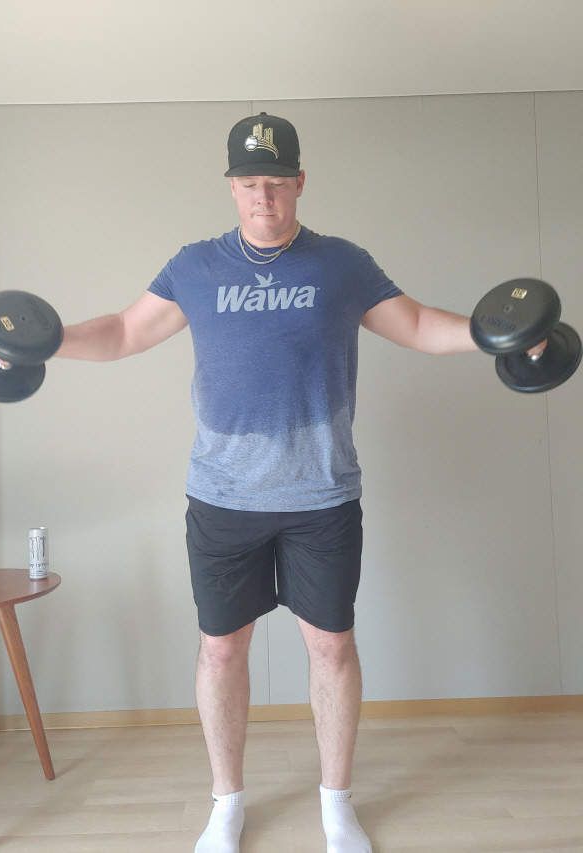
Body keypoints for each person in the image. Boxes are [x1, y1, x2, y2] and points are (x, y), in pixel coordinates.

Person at [54, 113, 542, 853]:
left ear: (300, 183)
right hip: (223, 497)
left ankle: (336, 806)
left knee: (332, 648)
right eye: (251, 183)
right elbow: (123, 332)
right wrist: (45, 342)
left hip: (322, 496)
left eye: (278, 183)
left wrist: (495, 335)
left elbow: (416, 324)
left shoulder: (342, 264)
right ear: (231, 187)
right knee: (222, 651)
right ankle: (226, 804)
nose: (264, 197)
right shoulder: (194, 266)